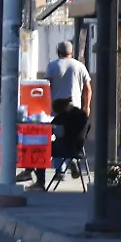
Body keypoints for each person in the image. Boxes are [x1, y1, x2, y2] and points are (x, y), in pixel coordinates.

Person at [18, 40, 92, 187]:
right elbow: (88, 88)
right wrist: (87, 106)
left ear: (58, 52)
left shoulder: (53, 66)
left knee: (53, 138)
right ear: (72, 52)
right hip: (75, 111)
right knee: (69, 137)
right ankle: (64, 166)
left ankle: (58, 170)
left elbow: (44, 88)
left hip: (57, 111)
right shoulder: (80, 66)